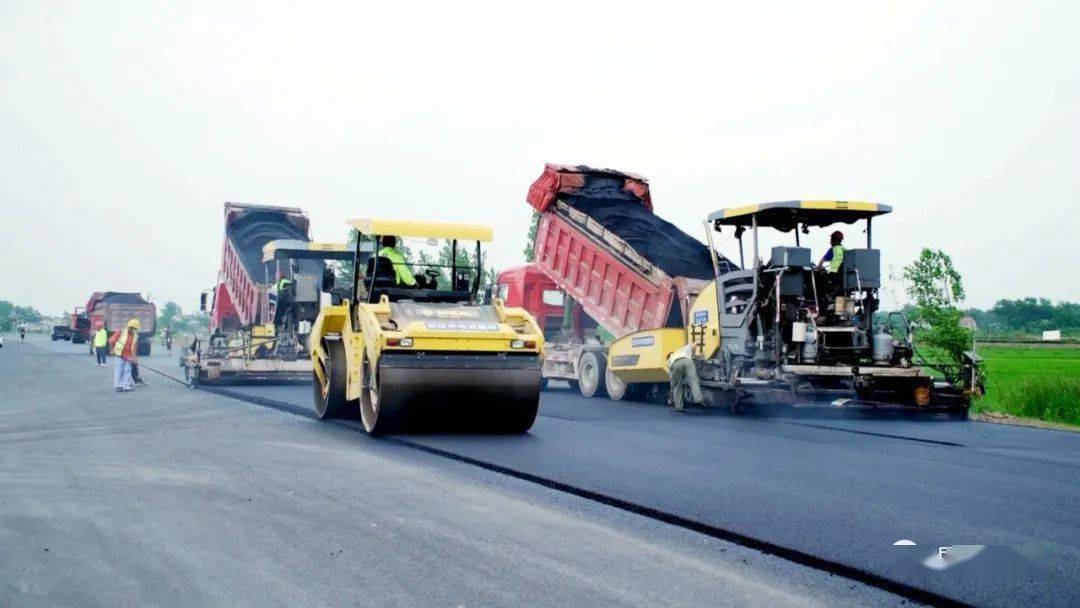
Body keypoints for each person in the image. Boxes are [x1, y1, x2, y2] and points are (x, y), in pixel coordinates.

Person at [666, 344, 704, 413]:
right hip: (688, 361)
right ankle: (698, 399)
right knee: (694, 380)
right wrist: (696, 352)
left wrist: (671, 398)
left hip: (676, 364)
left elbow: (672, 383)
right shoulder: (680, 350)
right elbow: (694, 344)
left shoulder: (669, 361)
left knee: (677, 386)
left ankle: (679, 408)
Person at [108, 319, 140, 392]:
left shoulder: (135, 336)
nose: (135, 330)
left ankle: (126, 385)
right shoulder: (120, 332)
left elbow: (134, 348)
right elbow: (110, 341)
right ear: (130, 327)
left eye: (136, 329)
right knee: (119, 370)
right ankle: (118, 386)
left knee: (127, 370)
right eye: (134, 328)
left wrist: (134, 358)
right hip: (119, 355)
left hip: (129, 356)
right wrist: (112, 350)